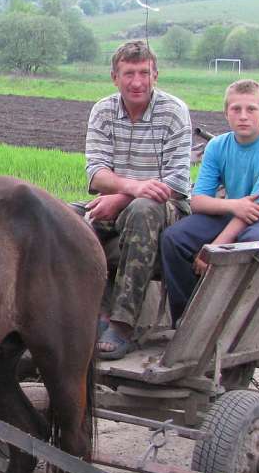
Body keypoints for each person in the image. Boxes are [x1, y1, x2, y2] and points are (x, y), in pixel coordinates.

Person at [160, 78, 259, 325]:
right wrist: (233, 205)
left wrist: (213, 250)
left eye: (251, 109)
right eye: (236, 109)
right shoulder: (218, 146)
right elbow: (198, 201)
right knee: (174, 238)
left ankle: (236, 322)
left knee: (250, 242)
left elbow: (257, 209)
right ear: (226, 114)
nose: (243, 116)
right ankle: (188, 320)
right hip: (237, 211)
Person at [82, 40, 192, 360]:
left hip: (166, 206)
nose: (137, 82)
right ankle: (87, 314)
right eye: (129, 73)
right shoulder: (103, 110)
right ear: (115, 77)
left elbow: (176, 182)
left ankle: (123, 324)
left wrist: (124, 197)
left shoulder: (173, 111)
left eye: (144, 73)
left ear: (155, 75)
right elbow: (95, 174)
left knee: (142, 211)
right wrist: (128, 190)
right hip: (119, 198)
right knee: (62, 220)